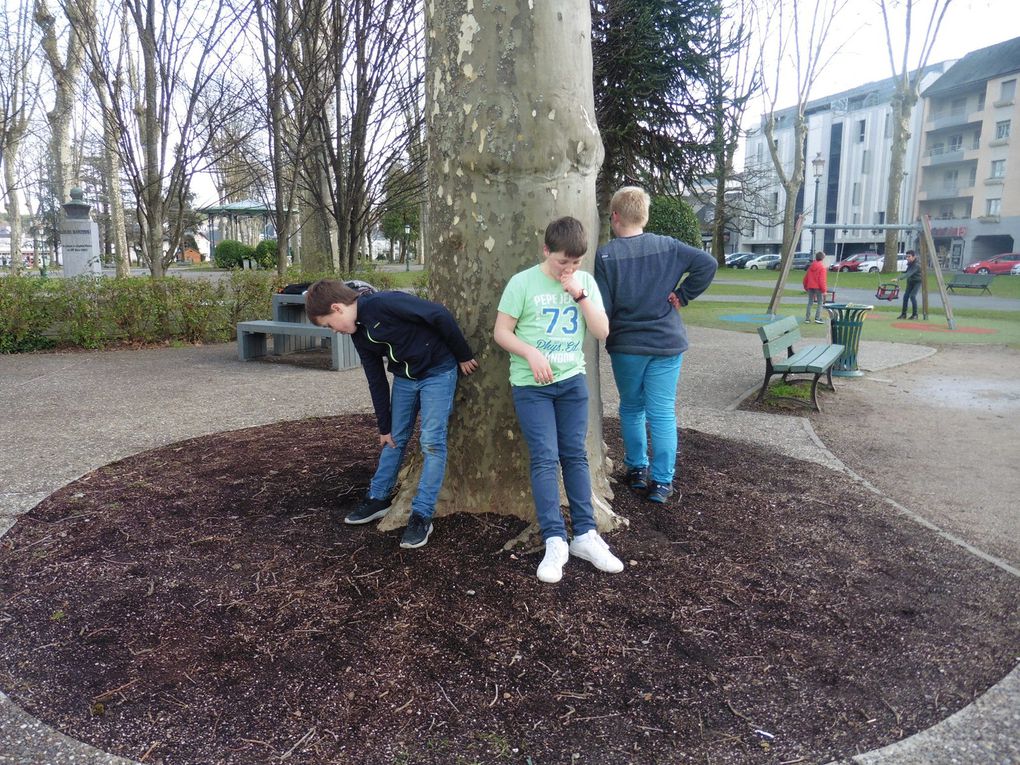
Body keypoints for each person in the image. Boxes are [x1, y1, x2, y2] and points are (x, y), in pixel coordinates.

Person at [494, 216, 624, 584]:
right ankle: (555, 539)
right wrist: (530, 353)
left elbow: (601, 331)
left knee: (575, 455)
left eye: (575, 263)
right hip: (531, 386)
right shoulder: (522, 283)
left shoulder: (584, 283)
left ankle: (585, 535)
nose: (568, 269)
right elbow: (501, 332)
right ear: (546, 251)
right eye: (561, 262)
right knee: (545, 458)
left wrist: (579, 294)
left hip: (571, 382)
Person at [305, 280, 478, 549]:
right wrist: (383, 427)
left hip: (437, 373)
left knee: (431, 442)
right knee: (394, 437)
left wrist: (463, 354)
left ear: (337, 308)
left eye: (328, 324)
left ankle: (422, 515)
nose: (334, 331)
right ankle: (378, 497)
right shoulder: (357, 334)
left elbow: (438, 315)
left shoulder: (384, 304)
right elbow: (376, 379)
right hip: (405, 380)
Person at [594, 186, 717, 505]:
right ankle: (662, 483)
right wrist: (684, 294)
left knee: (632, 407)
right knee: (662, 412)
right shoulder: (669, 247)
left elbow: (604, 308)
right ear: (644, 216)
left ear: (615, 216)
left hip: (627, 345)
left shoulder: (606, 255)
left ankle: (636, 470)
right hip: (666, 342)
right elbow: (707, 263)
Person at [802, 251, 828, 324]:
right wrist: (824, 290)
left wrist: (805, 286)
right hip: (818, 287)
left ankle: (807, 318)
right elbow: (822, 280)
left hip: (810, 286)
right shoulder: (822, 267)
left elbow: (805, 278)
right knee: (820, 302)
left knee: (810, 302)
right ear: (823, 258)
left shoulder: (810, 267)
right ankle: (817, 318)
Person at [896, 250, 922, 319]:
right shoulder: (910, 263)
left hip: (917, 282)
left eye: (909, 256)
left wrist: (899, 278)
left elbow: (909, 273)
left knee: (912, 296)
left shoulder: (916, 265)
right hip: (910, 282)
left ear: (914, 257)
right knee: (905, 297)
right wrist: (900, 274)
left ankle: (915, 315)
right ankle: (903, 314)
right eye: (906, 257)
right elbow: (907, 272)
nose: (907, 258)